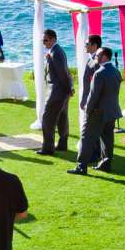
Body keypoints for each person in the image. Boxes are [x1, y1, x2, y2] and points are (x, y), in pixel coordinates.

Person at [72, 45, 122, 174]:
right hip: (112, 111)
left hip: (98, 112)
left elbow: (93, 96)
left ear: (105, 57)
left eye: (98, 55)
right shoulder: (116, 71)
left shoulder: (99, 73)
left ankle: (81, 166)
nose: (95, 57)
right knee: (107, 138)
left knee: (86, 138)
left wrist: (87, 111)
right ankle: (106, 163)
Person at [39, 27, 72, 155]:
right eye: (43, 41)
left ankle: (48, 148)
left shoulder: (56, 52)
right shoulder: (56, 51)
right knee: (62, 118)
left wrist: (68, 89)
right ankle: (63, 144)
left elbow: (63, 73)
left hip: (57, 91)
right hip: (62, 91)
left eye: (46, 40)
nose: (44, 43)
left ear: (53, 39)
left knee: (47, 119)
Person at [79, 32, 103, 109]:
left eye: (87, 44)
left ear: (95, 46)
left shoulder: (98, 61)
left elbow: (97, 86)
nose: (85, 46)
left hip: (94, 105)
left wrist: (89, 103)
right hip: (89, 100)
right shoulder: (91, 59)